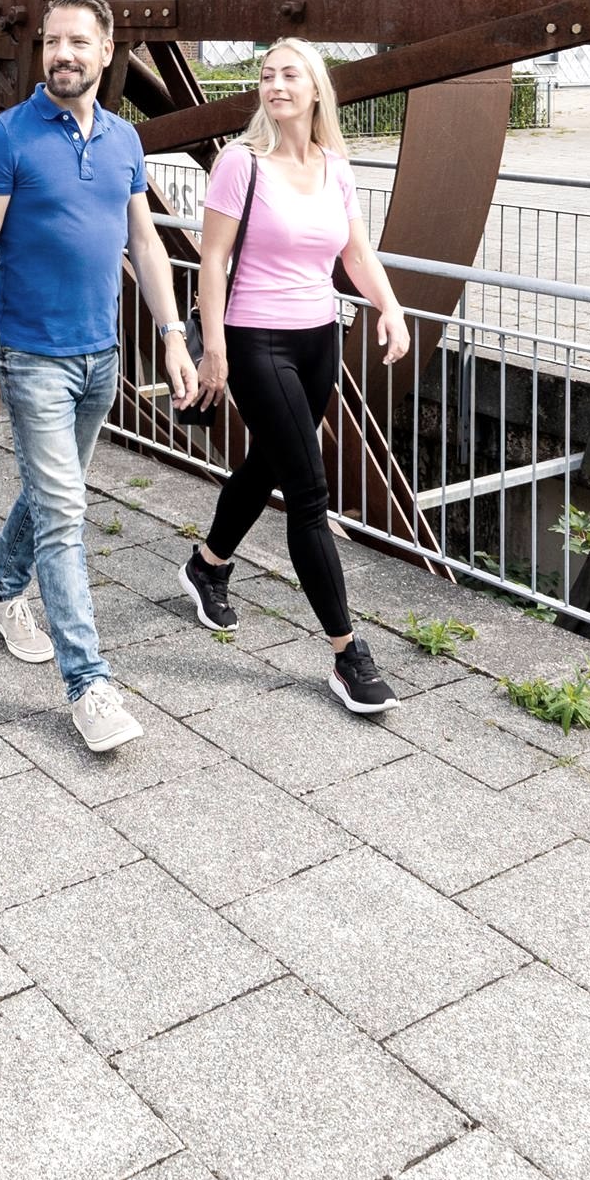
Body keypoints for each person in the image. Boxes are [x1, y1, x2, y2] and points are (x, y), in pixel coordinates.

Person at [0, 0, 198, 755]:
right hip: (31, 357)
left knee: (50, 492)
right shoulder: (6, 137)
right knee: (65, 511)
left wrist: (172, 335)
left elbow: (144, 244)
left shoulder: (124, 140)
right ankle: (89, 685)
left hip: (101, 356)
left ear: (106, 51)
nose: (61, 53)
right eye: (51, 41)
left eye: (77, 42)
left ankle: (1, 589)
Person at [185, 39, 414, 716]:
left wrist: (390, 307)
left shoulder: (335, 167)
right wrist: (214, 349)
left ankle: (207, 565)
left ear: (316, 89)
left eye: (290, 74)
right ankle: (348, 654)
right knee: (309, 492)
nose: (276, 84)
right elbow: (213, 260)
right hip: (256, 339)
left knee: (267, 464)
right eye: (267, 75)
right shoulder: (240, 162)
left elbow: (355, 252)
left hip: (320, 338)